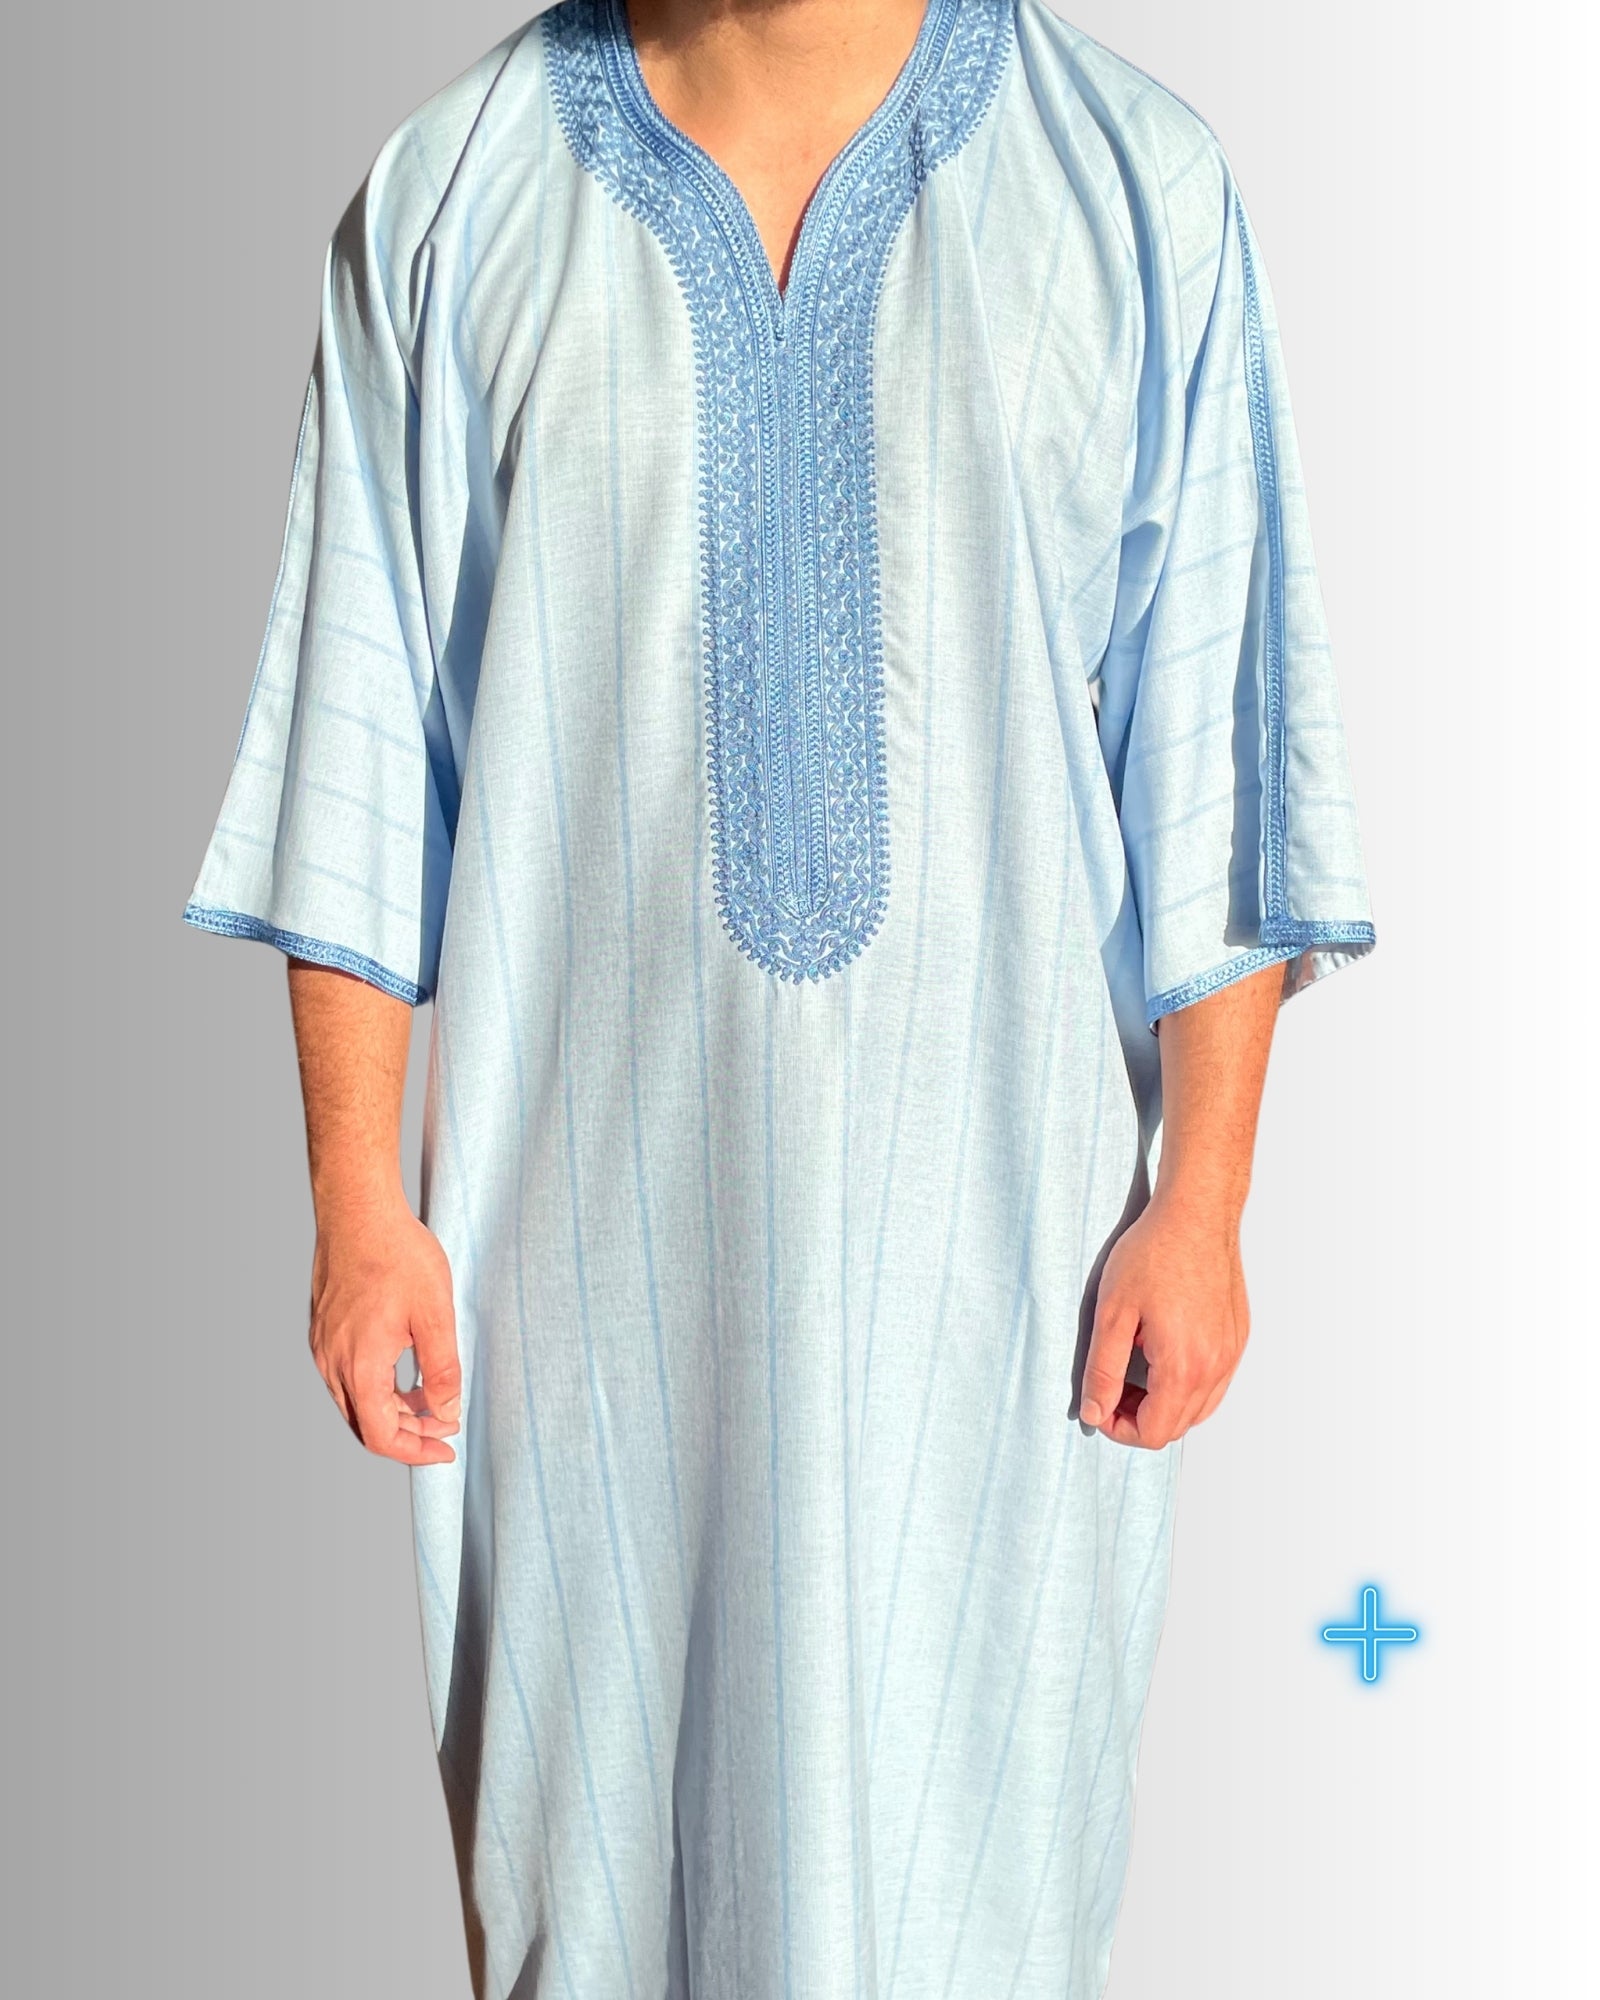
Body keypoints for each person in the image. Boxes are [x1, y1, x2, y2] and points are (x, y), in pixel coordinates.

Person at [181, 0, 1376, 1993]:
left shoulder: (1133, 192)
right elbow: (362, 747)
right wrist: (358, 1207)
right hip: (578, 1301)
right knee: (601, 1906)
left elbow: (1214, 741)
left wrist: (1204, 1201)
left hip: (1000, 1291)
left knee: (975, 1896)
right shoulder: (450, 200)